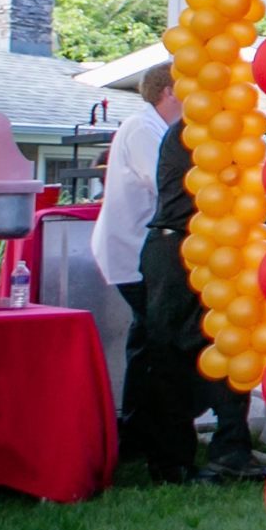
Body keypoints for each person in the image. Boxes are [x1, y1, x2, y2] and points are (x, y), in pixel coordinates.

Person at [125, 105, 266, 484]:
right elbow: (229, 194)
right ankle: (171, 463)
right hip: (178, 253)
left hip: (218, 253)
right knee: (172, 357)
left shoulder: (228, 135)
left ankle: (231, 451)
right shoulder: (192, 134)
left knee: (231, 345)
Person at [92, 62, 177, 415]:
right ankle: (149, 422)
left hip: (139, 248)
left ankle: (136, 424)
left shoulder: (155, 128)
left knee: (146, 338)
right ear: (169, 91)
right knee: (159, 337)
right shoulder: (143, 128)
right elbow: (164, 185)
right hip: (133, 250)